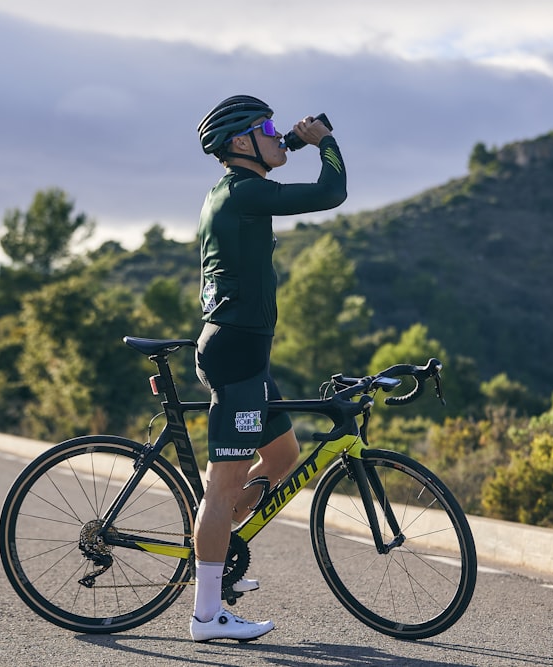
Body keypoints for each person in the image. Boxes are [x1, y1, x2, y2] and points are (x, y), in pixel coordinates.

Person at [190, 95, 347, 642]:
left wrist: (292, 142)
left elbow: (275, 156)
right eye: (267, 127)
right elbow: (332, 193)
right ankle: (207, 614)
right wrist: (325, 143)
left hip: (242, 350)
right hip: (235, 352)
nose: (279, 134)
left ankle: (222, 550)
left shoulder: (231, 191)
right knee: (223, 484)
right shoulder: (246, 192)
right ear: (239, 142)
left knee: (282, 457)